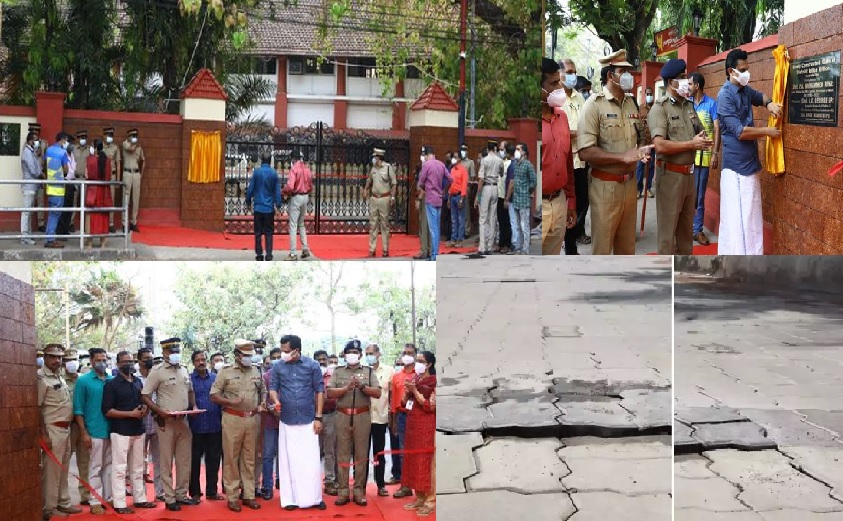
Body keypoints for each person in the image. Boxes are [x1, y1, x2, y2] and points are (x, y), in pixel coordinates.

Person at [577, 50, 653, 255]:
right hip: (605, 187)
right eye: (623, 71)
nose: (629, 76)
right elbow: (584, 152)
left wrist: (642, 150)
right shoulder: (593, 105)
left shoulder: (631, 103)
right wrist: (622, 157)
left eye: (629, 71)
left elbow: (640, 137)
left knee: (627, 249)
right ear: (611, 75)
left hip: (630, 186)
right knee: (602, 249)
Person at [716, 48, 782, 255]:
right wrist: (767, 131)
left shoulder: (744, 89)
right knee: (738, 224)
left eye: (747, 69)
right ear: (731, 71)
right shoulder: (725, 96)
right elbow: (740, 132)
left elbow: (759, 97)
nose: (747, 73)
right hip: (736, 170)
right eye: (743, 70)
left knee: (752, 220)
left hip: (750, 166)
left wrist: (770, 104)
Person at [648, 59, 713, 255]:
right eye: (683, 77)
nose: (687, 80)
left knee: (685, 233)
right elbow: (659, 145)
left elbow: (699, 130)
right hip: (670, 177)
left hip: (689, 176)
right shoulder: (660, 108)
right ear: (671, 82)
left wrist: (703, 138)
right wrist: (692, 144)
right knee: (667, 235)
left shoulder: (688, 106)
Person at [269, 335, 327, 511]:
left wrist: (318, 418)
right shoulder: (278, 366)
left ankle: (315, 498)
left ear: (296, 350)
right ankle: (290, 499)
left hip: (309, 420)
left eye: (286, 351)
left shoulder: (312, 365)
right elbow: (273, 388)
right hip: (287, 420)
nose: (283, 354)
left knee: (311, 462)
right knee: (289, 462)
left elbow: (319, 391)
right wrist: (276, 400)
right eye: (282, 351)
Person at [141, 338, 199, 512]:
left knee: (184, 460)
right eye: (172, 351)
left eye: (177, 351)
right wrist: (159, 411)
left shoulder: (184, 369)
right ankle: (169, 498)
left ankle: (181, 494)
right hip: (166, 422)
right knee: (166, 461)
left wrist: (194, 406)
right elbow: (145, 395)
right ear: (164, 353)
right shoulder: (157, 371)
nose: (175, 354)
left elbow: (190, 391)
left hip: (184, 420)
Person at [209, 340, 265, 512]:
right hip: (232, 418)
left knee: (249, 458)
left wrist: (262, 403)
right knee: (231, 459)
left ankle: (249, 495)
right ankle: (232, 497)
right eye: (245, 355)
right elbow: (213, 395)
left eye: (250, 355)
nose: (248, 358)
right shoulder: (225, 371)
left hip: (252, 419)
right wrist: (230, 402)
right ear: (237, 355)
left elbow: (262, 390)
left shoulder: (256, 370)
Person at [327, 340, 381, 506]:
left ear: (360, 355)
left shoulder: (368, 371)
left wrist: (363, 387)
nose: (352, 355)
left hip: (362, 416)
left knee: (361, 455)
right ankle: (343, 491)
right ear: (345, 355)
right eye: (349, 352)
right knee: (342, 454)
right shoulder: (338, 371)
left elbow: (378, 393)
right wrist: (346, 388)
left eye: (355, 352)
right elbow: (330, 392)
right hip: (342, 416)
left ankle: (359, 491)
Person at [102, 350, 155, 514]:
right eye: (125, 361)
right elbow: (107, 411)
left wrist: (144, 409)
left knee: (138, 467)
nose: (129, 364)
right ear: (118, 364)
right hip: (120, 431)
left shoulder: (138, 382)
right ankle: (119, 503)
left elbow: (144, 401)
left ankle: (140, 499)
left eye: (131, 361)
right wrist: (130, 414)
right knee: (119, 468)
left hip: (138, 429)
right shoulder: (111, 385)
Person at [39, 344, 82, 519]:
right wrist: (43, 434)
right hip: (52, 429)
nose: (57, 360)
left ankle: (63, 503)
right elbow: (37, 408)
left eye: (59, 357)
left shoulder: (59, 377)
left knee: (63, 469)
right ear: (45, 357)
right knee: (52, 471)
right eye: (52, 356)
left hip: (66, 428)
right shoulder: (41, 378)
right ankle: (49, 508)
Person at [541, 58, 577, 255]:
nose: (559, 88)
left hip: (560, 201)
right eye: (553, 83)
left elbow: (568, 162)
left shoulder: (562, 117)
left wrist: (571, 201)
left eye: (559, 82)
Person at [73, 347, 113, 515]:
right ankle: (95, 501)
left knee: (109, 466)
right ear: (91, 361)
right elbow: (78, 409)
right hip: (94, 430)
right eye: (98, 360)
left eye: (104, 360)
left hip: (112, 430)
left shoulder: (111, 380)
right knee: (95, 467)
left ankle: (108, 498)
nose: (102, 363)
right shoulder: (83, 381)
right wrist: (84, 432)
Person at [559, 59, 591, 254]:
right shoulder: (557, 98)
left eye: (574, 72)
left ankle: (572, 239)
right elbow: (560, 131)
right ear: (560, 74)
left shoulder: (580, 98)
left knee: (582, 203)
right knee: (567, 204)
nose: (573, 75)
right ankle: (568, 243)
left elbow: (587, 124)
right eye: (569, 72)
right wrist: (579, 133)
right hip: (565, 161)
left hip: (582, 159)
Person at [401, 351, 437, 516]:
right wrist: (407, 390)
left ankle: (430, 500)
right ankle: (420, 497)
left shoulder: (435, 381)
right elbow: (404, 403)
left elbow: (431, 406)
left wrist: (415, 391)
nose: (417, 364)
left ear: (429, 364)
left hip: (426, 426)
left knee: (427, 462)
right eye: (417, 360)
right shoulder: (415, 379)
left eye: (421, 361)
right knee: (414, 461)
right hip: (413, 425)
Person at [689, 72, 721, 246]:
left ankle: (697, 230)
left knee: (699, 195)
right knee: (687, 195)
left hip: (704, 157)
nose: (688, 87)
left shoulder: (711, 104)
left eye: (690, 84)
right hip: (687, 156)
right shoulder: (687, 104)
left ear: (697, 86)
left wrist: (715, 153)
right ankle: (685, 227)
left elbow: (717, 128)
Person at [188, 351, 223, 501]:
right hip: (195, 426)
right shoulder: (188, 379)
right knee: (194, 460)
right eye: (198, 360)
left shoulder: (216, 378)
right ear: (193, 363)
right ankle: (195, 492)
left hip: (215, 425)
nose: (201, 362)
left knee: (214, 460)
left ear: (207, 361)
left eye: (203, 359)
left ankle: (212, 491)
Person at [62, 349, 92, 506]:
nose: (71, 363)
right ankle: (63, 497)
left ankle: (86, 495)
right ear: (63, 363)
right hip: (67, 425)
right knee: (64, 462)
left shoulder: (83, 379)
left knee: (85, 461)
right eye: (68, 360)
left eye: (74, 359)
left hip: (83, 425)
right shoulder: (60, 380)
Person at [365, 343, 393, 497]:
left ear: (378, 354)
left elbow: (392, 394)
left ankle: (380, 484)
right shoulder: (362, 371)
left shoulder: (389, 371)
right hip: (363, 419)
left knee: (379, 453)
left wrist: (392, 414)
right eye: (367, 353)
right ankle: (360, 485)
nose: (369, 356)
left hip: (381, 419)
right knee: (362, 454)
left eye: (371, 353)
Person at [390, 343, 418, 498]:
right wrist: (393, 421)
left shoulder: (420, 374)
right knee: (403, 452)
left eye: (410, 353)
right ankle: (405, 485)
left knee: (419, 451)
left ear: (415, 355)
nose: (407, 355)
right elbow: (394, 400)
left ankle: (420, 486)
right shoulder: (396, 376)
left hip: (418, 416)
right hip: (401, 417)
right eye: (405, 353)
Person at [135, 347, 163, 501]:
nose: (149, 361)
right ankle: (141, 496)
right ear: (139, 360)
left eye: (151, 357)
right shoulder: (134, 377)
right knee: (138, 462)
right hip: (139, 423)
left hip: (157, 421)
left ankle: (160, 493)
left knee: (159, 460)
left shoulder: (157, 374)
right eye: (146, 358)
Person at [416, 146, 451, 260]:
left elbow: (421, 182)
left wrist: (426, 188)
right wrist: (444, 190)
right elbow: (450, 179)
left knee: (433, 228)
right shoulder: (441, 164)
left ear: (426, 155)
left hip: (430, 199)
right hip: (439, 199)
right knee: (437, 227)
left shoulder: (426, 165)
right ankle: (435, 253)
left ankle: (434, 255)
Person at [246, 153, 282, 262]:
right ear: (270, 161)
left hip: (258, 207)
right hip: (269, 208)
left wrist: (248, 201)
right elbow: (277, 191)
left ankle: (259, 254)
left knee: (258, 232)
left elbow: (250, 189)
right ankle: (269, 254)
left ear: (261, 160)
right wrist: (278, 206)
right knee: (269, 232)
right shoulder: (274, 173)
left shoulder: (257, 172)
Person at [364, 147, 397, 257]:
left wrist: (393, 197)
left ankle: (385, 250)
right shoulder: (373, 168)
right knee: (372, 224)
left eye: (375, 157)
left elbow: (394, 183)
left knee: (384, 225)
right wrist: (366, 189)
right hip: (374, 199)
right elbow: (369, 179)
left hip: (384, 199)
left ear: (379, 157)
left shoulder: (388, 168)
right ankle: (372, 249)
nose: (373, 159)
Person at [505, 143, 538, 255]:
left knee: (524, 226)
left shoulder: (528, 165)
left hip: (524, 200)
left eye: (518, 149)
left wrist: (527, 190)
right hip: (516, 199)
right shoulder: (517, 164)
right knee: (518, 226)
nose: (516, 151)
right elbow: (513, 181)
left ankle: (525, 249)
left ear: (523, 152)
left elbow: (534, 181)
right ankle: (518, 247)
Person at [259, 348, 283, 499]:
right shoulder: (265, 377)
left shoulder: (288, 374)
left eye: (279, 357)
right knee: (268, 454)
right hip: (269, 420)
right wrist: (273, 410)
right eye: (274, 357)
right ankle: (267, 486)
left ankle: (283, 482)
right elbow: (262, 398)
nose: (276, 360)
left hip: (286, 421)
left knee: (284, 454)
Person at [283, 150, 313, 260]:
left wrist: (284, 191)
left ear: (293, 159)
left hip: (296, 197)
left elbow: (290, 186)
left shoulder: (294, 169)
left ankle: (293, 253)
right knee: (301, 224)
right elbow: (311, 186)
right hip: (305, 196)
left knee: (293, 225)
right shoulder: (306, 168)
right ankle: (305, 248)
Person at [474, 140, 503, 255]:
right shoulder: (499, 160)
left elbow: (481, 179)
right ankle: (490, 246)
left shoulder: (484, 160)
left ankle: (483, 247)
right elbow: (501, 173)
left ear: (487, 148)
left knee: (483, 218)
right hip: (495, 187)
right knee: (492, 218)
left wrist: (478, 196)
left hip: (486, 188)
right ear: (495, 148)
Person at [44, 132, 71, 249]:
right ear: (62, 140)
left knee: (51, 214)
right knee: (55, 215)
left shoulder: (48, 150)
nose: (67, 143)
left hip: (50, 187)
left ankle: (48, 237)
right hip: (58, 189)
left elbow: (44, 165)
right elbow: (66, 170)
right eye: (66, 140)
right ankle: (50, 240)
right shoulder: (63, 152)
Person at [85, 140, 114, 249]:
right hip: (104, 192)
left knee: (90, 216)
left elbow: (87, 175)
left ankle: (89, 244)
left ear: (95, 148)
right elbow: (109, 176)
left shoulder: (90, 160)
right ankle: (103, 243)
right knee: (104, 218)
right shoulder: (107, 160)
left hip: (93, 191)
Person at [20, 131, 42, 245]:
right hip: (29, 186)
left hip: (32, 186)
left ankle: (28, 234)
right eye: (35, 140)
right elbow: (33, 170)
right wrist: (41, 174)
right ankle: (24, 237)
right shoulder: (27, 152)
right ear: (30, 141)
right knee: (26, 212)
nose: (37, 142)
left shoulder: (31, 152)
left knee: (29, 213)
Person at [122, 129, 145, 233]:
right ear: (128, 136)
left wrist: (141, 174)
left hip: (136, 173)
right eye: (132, 135)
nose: (134, 137)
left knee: (136, 199)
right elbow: (131, 149)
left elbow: (143, 160)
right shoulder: (125, 143)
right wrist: (135, 143)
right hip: (127, 173)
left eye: (136, 135)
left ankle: (133, 222)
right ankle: (124, 223)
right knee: (125, 198)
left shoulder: (139, 147)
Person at [636, 88, 656, 200]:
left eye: (650, 94)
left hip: (652, 143)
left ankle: (648, 189)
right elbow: (637, 124)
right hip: (643, 142)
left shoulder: (656, 107)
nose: (649, 96)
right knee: (640, 166)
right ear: (645, 95)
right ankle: (638, 189)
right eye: (647, 94)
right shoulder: (640, 108)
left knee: (651, 166)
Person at [446, 150, 468, 248]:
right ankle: (453, 239)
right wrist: (448, 198)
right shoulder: (452, 170)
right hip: (453, 196)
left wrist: (462, 198)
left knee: (460, 219)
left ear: (459, 158)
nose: (453, 159)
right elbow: (451, 185)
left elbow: (464, 185)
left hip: (459, 196)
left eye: (455, 157)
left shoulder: (463, 170)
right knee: (453, 220)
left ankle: (460, 240)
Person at [102, 127, 121, 233]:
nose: (110, 137)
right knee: (101, 199)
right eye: (108, 135)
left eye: (111, 135)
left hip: (111, 176)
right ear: (104, 135)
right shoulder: (99, 146)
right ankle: (102, 222)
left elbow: (118, 163)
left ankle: (111, 223)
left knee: (111, 200)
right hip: (101, 176)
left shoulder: (115, 147)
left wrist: (118, 179)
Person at [412, 163, 432, 260]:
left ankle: (424, 250)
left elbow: (423, 188)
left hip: (424, 198)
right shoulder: (430, 170)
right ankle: (429, 249)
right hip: (430, 198)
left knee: (423, 226)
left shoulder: (425, 171)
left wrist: (419, 199)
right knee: (427, 225)